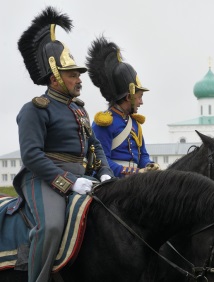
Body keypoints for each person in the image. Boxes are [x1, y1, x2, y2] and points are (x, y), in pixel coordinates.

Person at [14, 7, 114, 282]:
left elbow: (95, 146)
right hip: (43, 178)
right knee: (52, 226)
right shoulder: (35, 109)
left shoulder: (79, 110)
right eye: (72, 74)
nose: (79, 79)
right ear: (54, 76)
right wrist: (68, 182)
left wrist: (105, 171)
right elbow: (32, 156)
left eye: (78, 74)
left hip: (82, 176)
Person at [86, 36, 159, 177]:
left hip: (136, 178)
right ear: (128, 97)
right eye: (139, 97)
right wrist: (133, 171)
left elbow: (142, 155)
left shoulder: (135, 123)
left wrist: (149, 165)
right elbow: (102, 160)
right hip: (113, 180)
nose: (141, 102)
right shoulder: (105, 122)